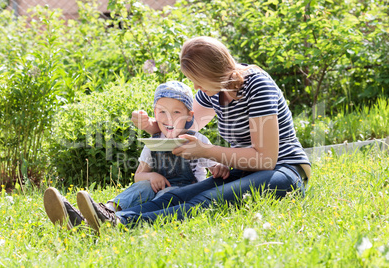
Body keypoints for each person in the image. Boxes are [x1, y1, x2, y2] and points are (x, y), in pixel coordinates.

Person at [69, 36, 312, 231]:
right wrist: (150, 125)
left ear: (214, 71)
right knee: (179, 195)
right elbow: (183, 127)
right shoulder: (213, 90)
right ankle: (97, 217)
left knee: (207, 200)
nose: (195, 87)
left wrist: (206, 151)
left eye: (197, 79)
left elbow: (265, 159)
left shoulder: (257, 86)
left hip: (285, 171)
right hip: (245, 171)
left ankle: (120, 224)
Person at [43, 81, 230, 231]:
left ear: (189, 115)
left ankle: (106, 221)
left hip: (182, 194)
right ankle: (106, 209)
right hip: (154, 191)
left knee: (167, 194)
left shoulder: (196, 139)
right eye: (162, 112)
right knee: (142, 186)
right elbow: (139, 175)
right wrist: (151, 176)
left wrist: (219, 168)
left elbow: (214, 167)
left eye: (176, 112)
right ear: (155, 114)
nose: (169, 118)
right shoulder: (154, 141)